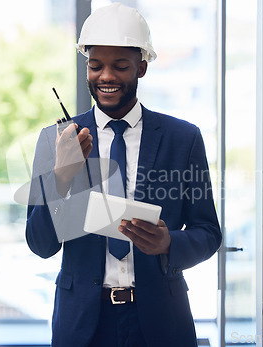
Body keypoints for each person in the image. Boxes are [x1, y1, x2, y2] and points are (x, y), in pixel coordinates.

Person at [25, 3, 222, 346]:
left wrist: (169, 243)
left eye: (119, 66)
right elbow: (40, 244)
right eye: (96, 66)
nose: (106, 77)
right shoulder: (57, 140)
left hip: (161, 320)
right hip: (83, 323)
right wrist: (61, 177)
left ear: (141, 68)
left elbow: (208, 232)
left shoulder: (183, 138)